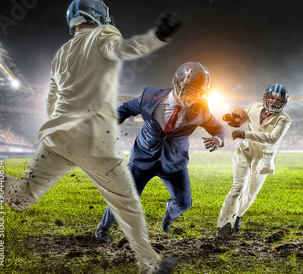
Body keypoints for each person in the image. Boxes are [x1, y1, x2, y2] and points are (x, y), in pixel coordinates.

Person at [0, 0, 180, 273]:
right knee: (126, 204)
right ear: (99, 16)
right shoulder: (104, 33)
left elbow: (51, 103)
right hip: (91, 137)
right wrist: (157, 37)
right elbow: (123, 49)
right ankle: (151, 266)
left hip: (56, 136)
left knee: (21, 197)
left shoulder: (61, 53)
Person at [95, 62, 225, 241]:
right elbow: (124, 110)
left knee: (184, 203)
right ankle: (103, 227)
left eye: (199, 93)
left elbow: (217, 127)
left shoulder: (201, 109)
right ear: (177, 84)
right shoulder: (150, 96)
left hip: (174, 163)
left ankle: (169, 214)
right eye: (191, 91)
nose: (194, 98)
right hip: (142, 160)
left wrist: (218, 139)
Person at [217, 83, 291, 237]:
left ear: (283, 102)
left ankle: (239, 215)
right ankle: (223, 224)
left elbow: (272, 139)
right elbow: (242, 118)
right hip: (246, 151)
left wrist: (245, 134)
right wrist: (234, 117)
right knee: (238, 186)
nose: (274, 102)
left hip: (263, 158)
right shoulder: (254, 107)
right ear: (265, 98)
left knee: (250, 195)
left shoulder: (284, 119)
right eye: (271, 98)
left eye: (278, 100)